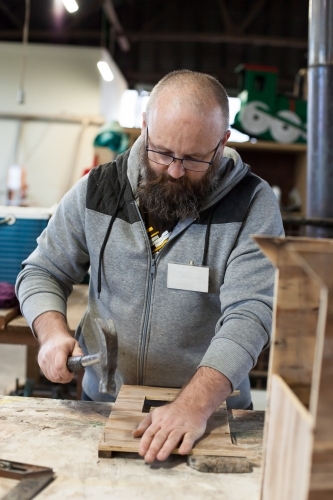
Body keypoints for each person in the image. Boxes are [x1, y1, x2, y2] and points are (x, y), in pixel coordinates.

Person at [16, 70, 284, 464]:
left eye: (194, 158)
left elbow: (252, 313)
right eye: (161, 152)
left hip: (208, 415)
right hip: (103, 404)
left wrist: (193, 405)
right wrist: (52, 333)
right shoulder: (98, 190)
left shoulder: (251, 204)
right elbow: (42, 270)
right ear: (144, 127)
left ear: (223, 142)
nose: (175, 170)